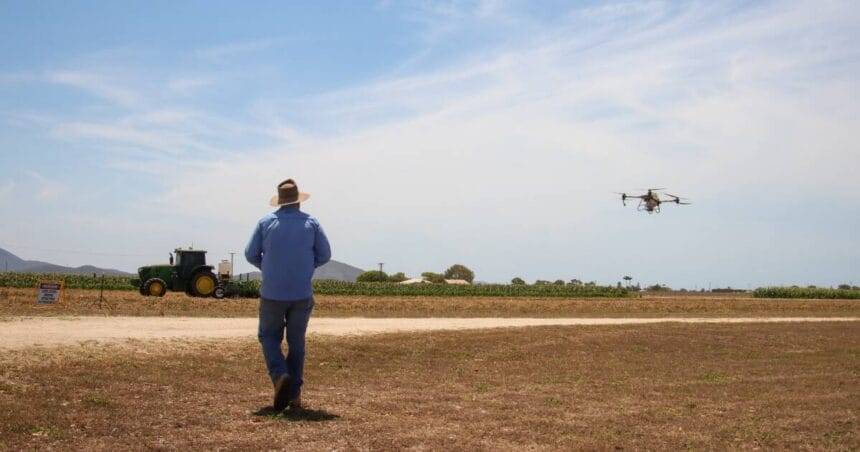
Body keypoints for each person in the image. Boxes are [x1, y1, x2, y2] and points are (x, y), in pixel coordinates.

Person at [245, 178, 331, 412]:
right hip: (301, 293)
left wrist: (269, 268)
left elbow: (250, 253)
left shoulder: (265, 223)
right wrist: (306, 267)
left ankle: (280, 374)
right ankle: (294, 395)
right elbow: (325, 254)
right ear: (298, 201)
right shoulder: (311, 223)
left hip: (272, 292)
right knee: (297, 343)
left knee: (269, 337)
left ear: (280, 202)